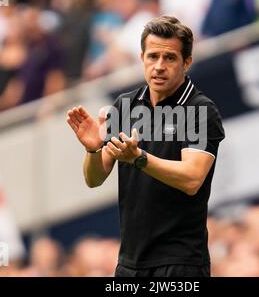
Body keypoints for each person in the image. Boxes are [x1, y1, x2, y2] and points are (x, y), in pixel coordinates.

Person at [67, 16, 225, 277]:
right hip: (129, 263)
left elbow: (192, 178)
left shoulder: (200, 110)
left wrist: (139, 158)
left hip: (180, 263)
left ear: (187, 63)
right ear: (141, 58)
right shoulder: (125, 105)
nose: (159, 66)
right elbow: (94, 179)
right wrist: (93, 149)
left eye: (170, 58)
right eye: (153, 57)